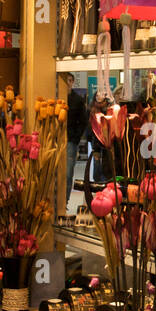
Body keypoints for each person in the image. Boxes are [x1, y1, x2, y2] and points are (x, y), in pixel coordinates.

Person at [63, 73, 87, 213]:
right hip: (55, 141)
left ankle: (64, 202)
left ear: (72, 82)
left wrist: (75, 138)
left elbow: (83, 122)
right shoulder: (55, 97)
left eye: (69, 81)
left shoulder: (77, 100)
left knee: (67, 173)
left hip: (70, 141)